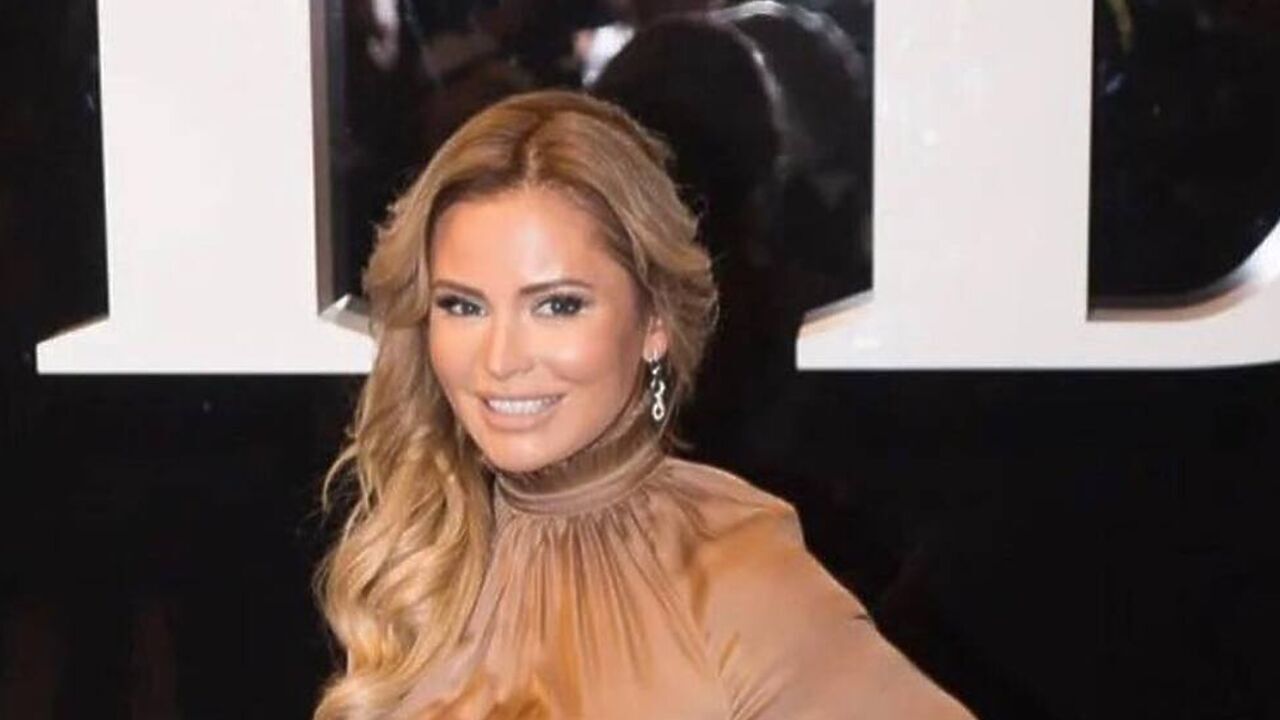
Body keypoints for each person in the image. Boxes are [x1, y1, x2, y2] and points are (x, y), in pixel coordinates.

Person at [313, 90, 975, 720]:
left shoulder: (730, 572)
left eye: (557, 305)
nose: (500, 359)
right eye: (463, 305)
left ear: (653, 319)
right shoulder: (425, 547)